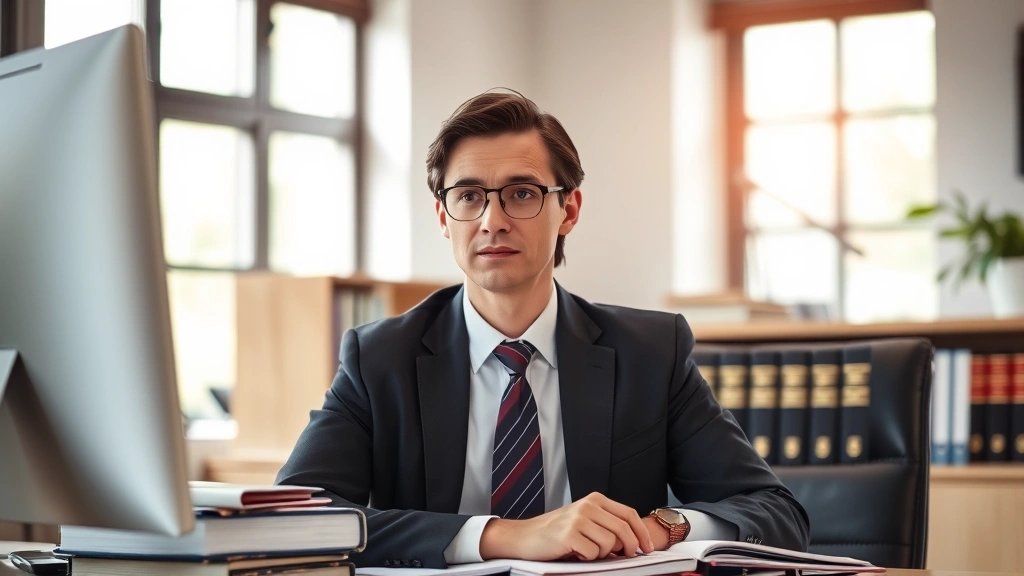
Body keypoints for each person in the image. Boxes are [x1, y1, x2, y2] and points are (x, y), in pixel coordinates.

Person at [276, 90, 809, 569]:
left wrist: (661, 527)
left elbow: (775, 511)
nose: (492, 220)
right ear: (444, 218)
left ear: (569, 209)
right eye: (468, 196)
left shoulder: (650, 353)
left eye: (522, 193)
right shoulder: (380, 358)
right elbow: (295, 521)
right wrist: (505, 536)